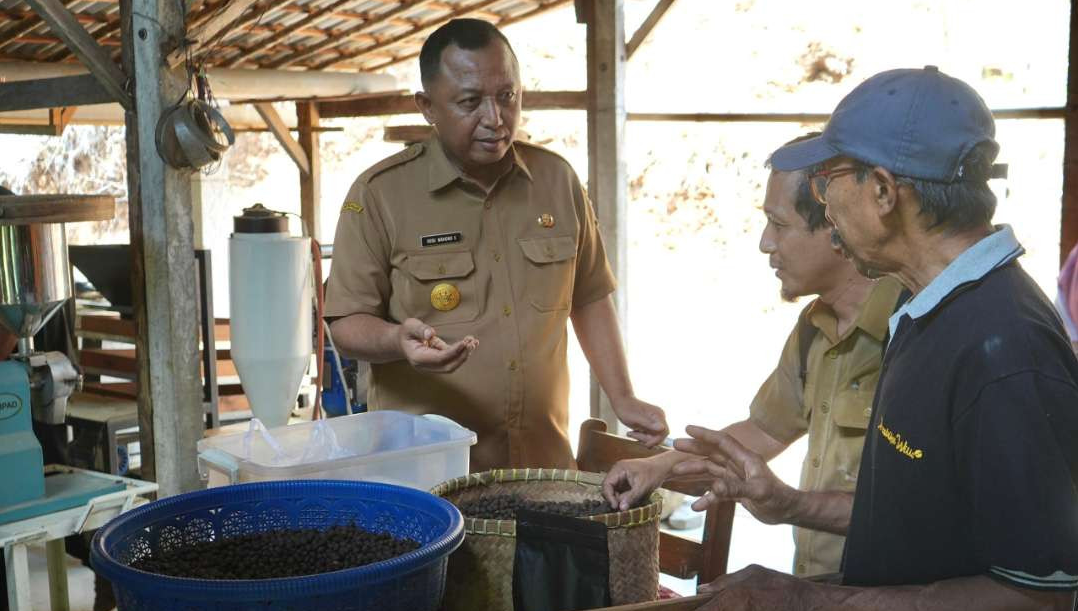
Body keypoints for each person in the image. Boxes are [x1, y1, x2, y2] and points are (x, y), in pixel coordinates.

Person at [678, 66, 1078, 610]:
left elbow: (1035, 598)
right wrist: (789, 505)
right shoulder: (925, 310)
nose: (826, 203)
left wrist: (808, 602)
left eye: (828, 181)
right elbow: (925, 517)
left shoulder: (1006, 349)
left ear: (884, 192)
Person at [325, 19, 667, 472]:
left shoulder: (556, 181)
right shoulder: (379, 195)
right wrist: (395, 340)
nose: (495, 118)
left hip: (541, 468)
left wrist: (622, 396)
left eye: (507, 96)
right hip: (433, 480)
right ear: (427, 106)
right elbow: (345, 322)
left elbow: (589, 296)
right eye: (470, 102)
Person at [601, 134, 905, 577]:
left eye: (779, 225)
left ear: (837, 228)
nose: (766, 243)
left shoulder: (913, 333)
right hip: (817, 589)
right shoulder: (814, 329)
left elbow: (925, 513)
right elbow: (765, 428)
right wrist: (660, 466)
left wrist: (788, 505)